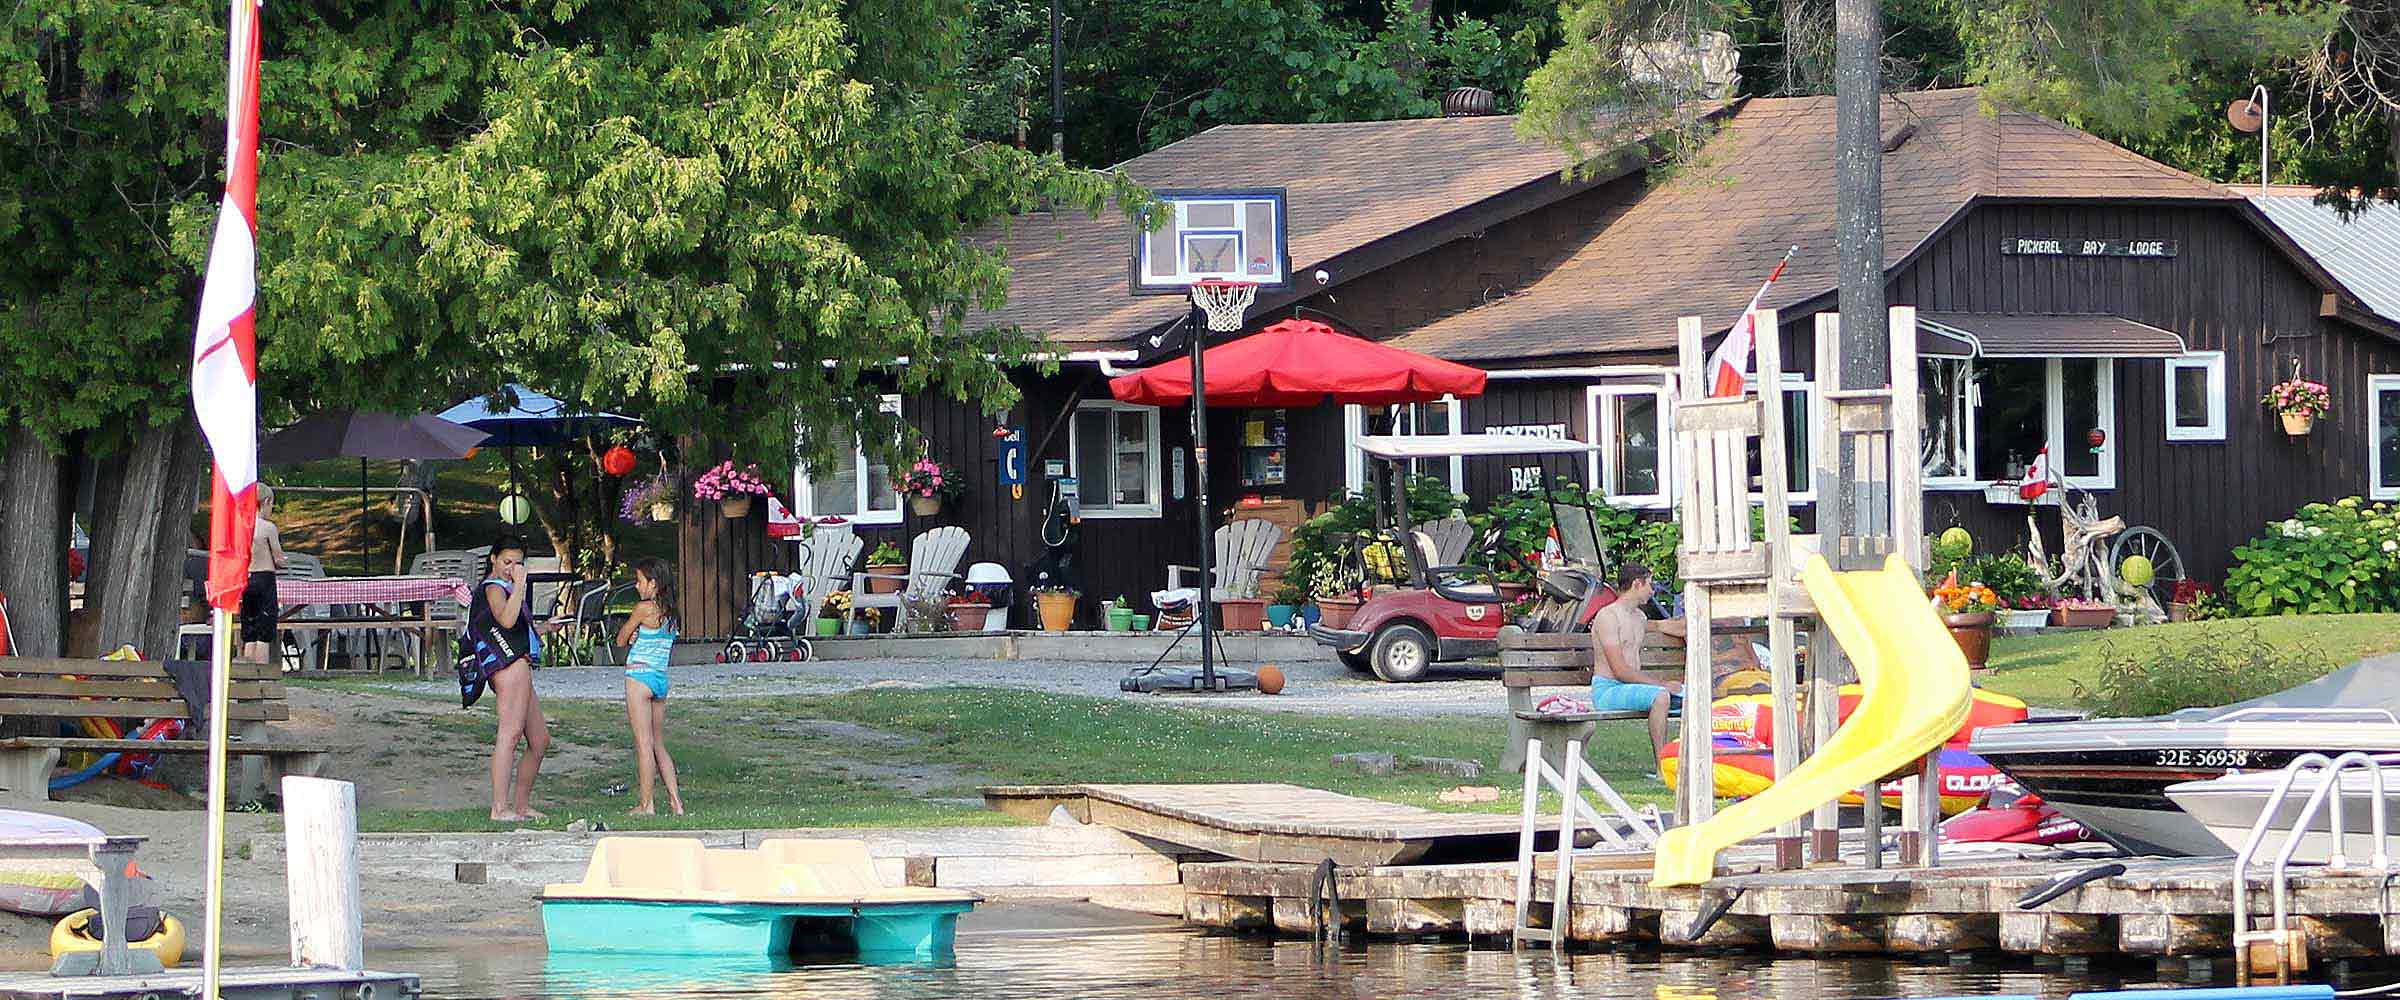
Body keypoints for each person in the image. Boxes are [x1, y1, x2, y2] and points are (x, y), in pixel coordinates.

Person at [466, 537, 548, 821]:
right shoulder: (493, 588)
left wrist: (546, 628)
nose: (512, 569)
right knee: (510, 734)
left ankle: (521, 806)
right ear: (493, 559)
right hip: (508, 669)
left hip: (521, 665)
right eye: (507, 562)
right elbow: (508, 620)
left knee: (539, 740)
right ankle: (499, 808)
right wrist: (521, 585)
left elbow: (517, 629)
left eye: (518, 563)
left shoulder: (507, 588)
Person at [1589, 562, 1687, 763]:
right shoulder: (1608, 617)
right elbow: (1620, 670)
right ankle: (1662, 767)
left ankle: (1689, 763)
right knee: (1660, 696)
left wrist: (1694, 623)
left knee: (1694, 700)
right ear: (1637, 584)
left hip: (1633, 688)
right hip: (1608, 690)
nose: (1652, 591)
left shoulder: (1639, 617)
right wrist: (1663, 685)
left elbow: (1664, 626)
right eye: (1650, 585)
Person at [614, 558, 685, 816]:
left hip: (639, 676)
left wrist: (630, 634)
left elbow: (621, 639)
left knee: (643, 744)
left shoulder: (644, 608)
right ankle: (676, 802)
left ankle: (647, 805)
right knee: (658, 743)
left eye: (640, 581)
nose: (636, 586)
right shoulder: (672, 612)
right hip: (660, 679)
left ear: (653, 584)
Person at [238, 485, 288, 664]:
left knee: (249, 625)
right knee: (264, 628)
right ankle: (262, 671)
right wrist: (284, 561)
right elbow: (278, 557)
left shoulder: (242, 525)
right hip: (264, 578)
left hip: (247, 578)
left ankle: (247, 672)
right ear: (266, 502)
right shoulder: (268, 528)